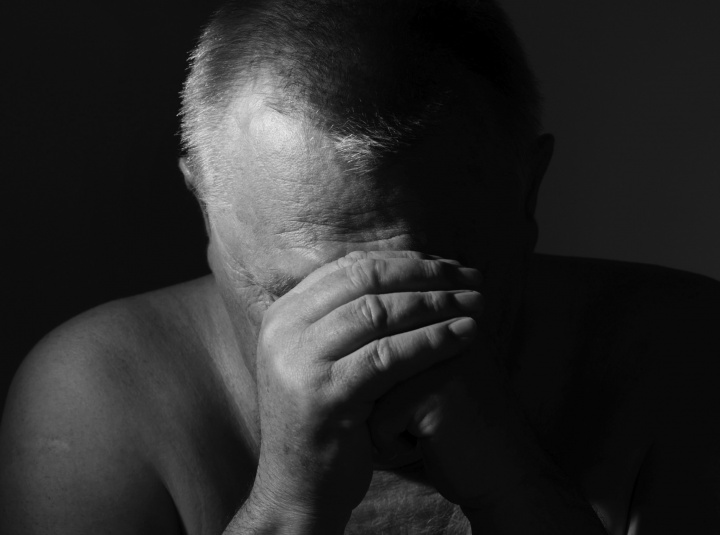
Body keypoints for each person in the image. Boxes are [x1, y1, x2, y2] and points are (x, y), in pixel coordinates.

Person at [2, 0, 719, 533]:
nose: (373, 361)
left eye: (431, 285)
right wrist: (288, 504)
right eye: (295, 291)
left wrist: (516, 488)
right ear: (207, 207)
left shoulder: (688, 355)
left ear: (526, 191)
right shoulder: (100, 397)